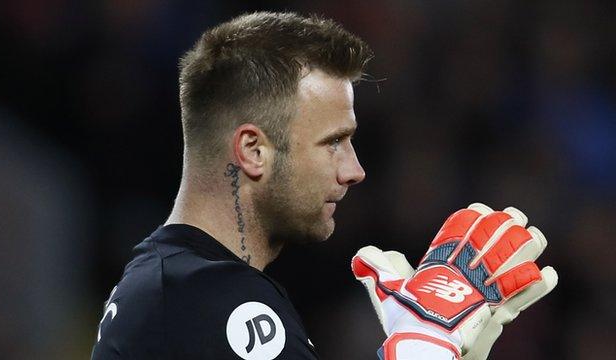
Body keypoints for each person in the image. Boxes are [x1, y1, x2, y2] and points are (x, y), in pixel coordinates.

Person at [91, 11, 557, 360]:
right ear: (253, 150)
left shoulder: (172, 287)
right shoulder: (208, 298)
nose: (355, 170)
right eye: (333, 142)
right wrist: (424, 346)